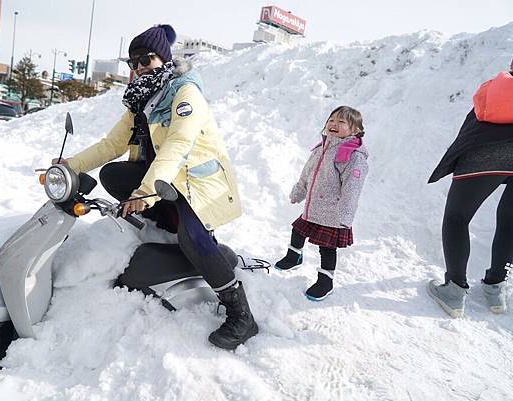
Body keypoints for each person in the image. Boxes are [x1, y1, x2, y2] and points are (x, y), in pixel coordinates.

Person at [53, 24, 258, 350]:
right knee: (112, 174)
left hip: (195, 181)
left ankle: (240, 313)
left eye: (145, 60)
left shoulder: (185, 92)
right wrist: (69, 166)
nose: (138, 68)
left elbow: (178, 144)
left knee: (192, 237)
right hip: (162, 181)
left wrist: (144, 193)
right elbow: (111, 145)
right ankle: (164, 224)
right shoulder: (140, 101)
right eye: (132, 63)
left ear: (163, 59)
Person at [427, 62, 513, 318]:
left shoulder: (497, 88)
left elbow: (476, 119)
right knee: (510, 221)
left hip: (484, 154)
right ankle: (496, 288)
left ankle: (454, 291)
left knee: (457, 217)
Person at [274, 106, 369, 301]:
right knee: (298, 230)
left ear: (356, 130)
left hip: (334, 213)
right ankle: (294, 257)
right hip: (313, 207)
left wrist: (345, 215)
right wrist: (299, 192)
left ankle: (326, 281)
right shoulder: (322, 147)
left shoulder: (352, 156)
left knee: (326, 248)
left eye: (342, 122)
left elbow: (352, 189)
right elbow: (307, 173)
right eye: (331, 120)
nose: (334, 124)